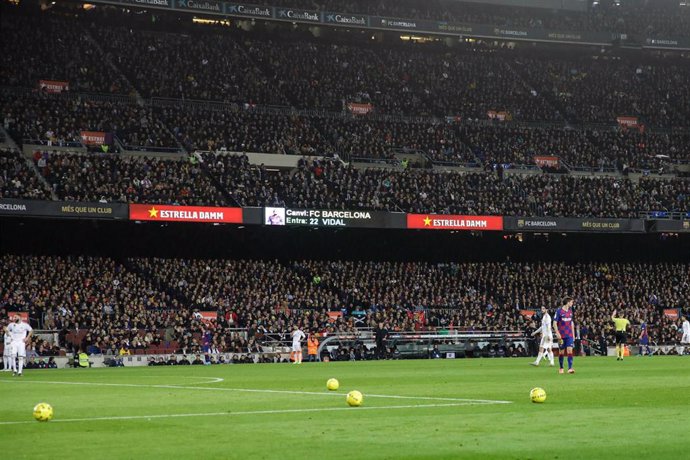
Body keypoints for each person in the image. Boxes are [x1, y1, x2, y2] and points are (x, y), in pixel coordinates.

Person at [553, 297, 575, 374]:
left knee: (569, 350)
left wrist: (573, 334)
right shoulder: (559, 311)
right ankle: (561, 367)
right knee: (561, 352)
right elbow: (554, 323)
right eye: (571, 302)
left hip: (569, 335)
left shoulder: (570, 311)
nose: (572, 303)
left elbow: (571, 323)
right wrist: (557, 333)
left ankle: (570, 368)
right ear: (568, 302)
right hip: (561, 335)